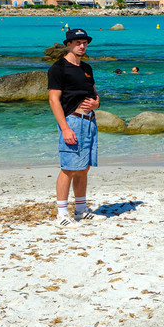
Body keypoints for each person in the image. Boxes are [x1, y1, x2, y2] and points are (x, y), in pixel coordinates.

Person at [48, 27, 99, 222]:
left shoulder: (86, 68)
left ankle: (80, 209)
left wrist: (96, 103)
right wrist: (65, 128)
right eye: (78, 43)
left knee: (83, 168)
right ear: (68, 44)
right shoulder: (58, 68)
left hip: (89, 121)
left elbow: (94, 94)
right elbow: (54, 100)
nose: (82, 46)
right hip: (72, 121)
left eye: (84, 42)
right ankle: (62, 214)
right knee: (68, 168)